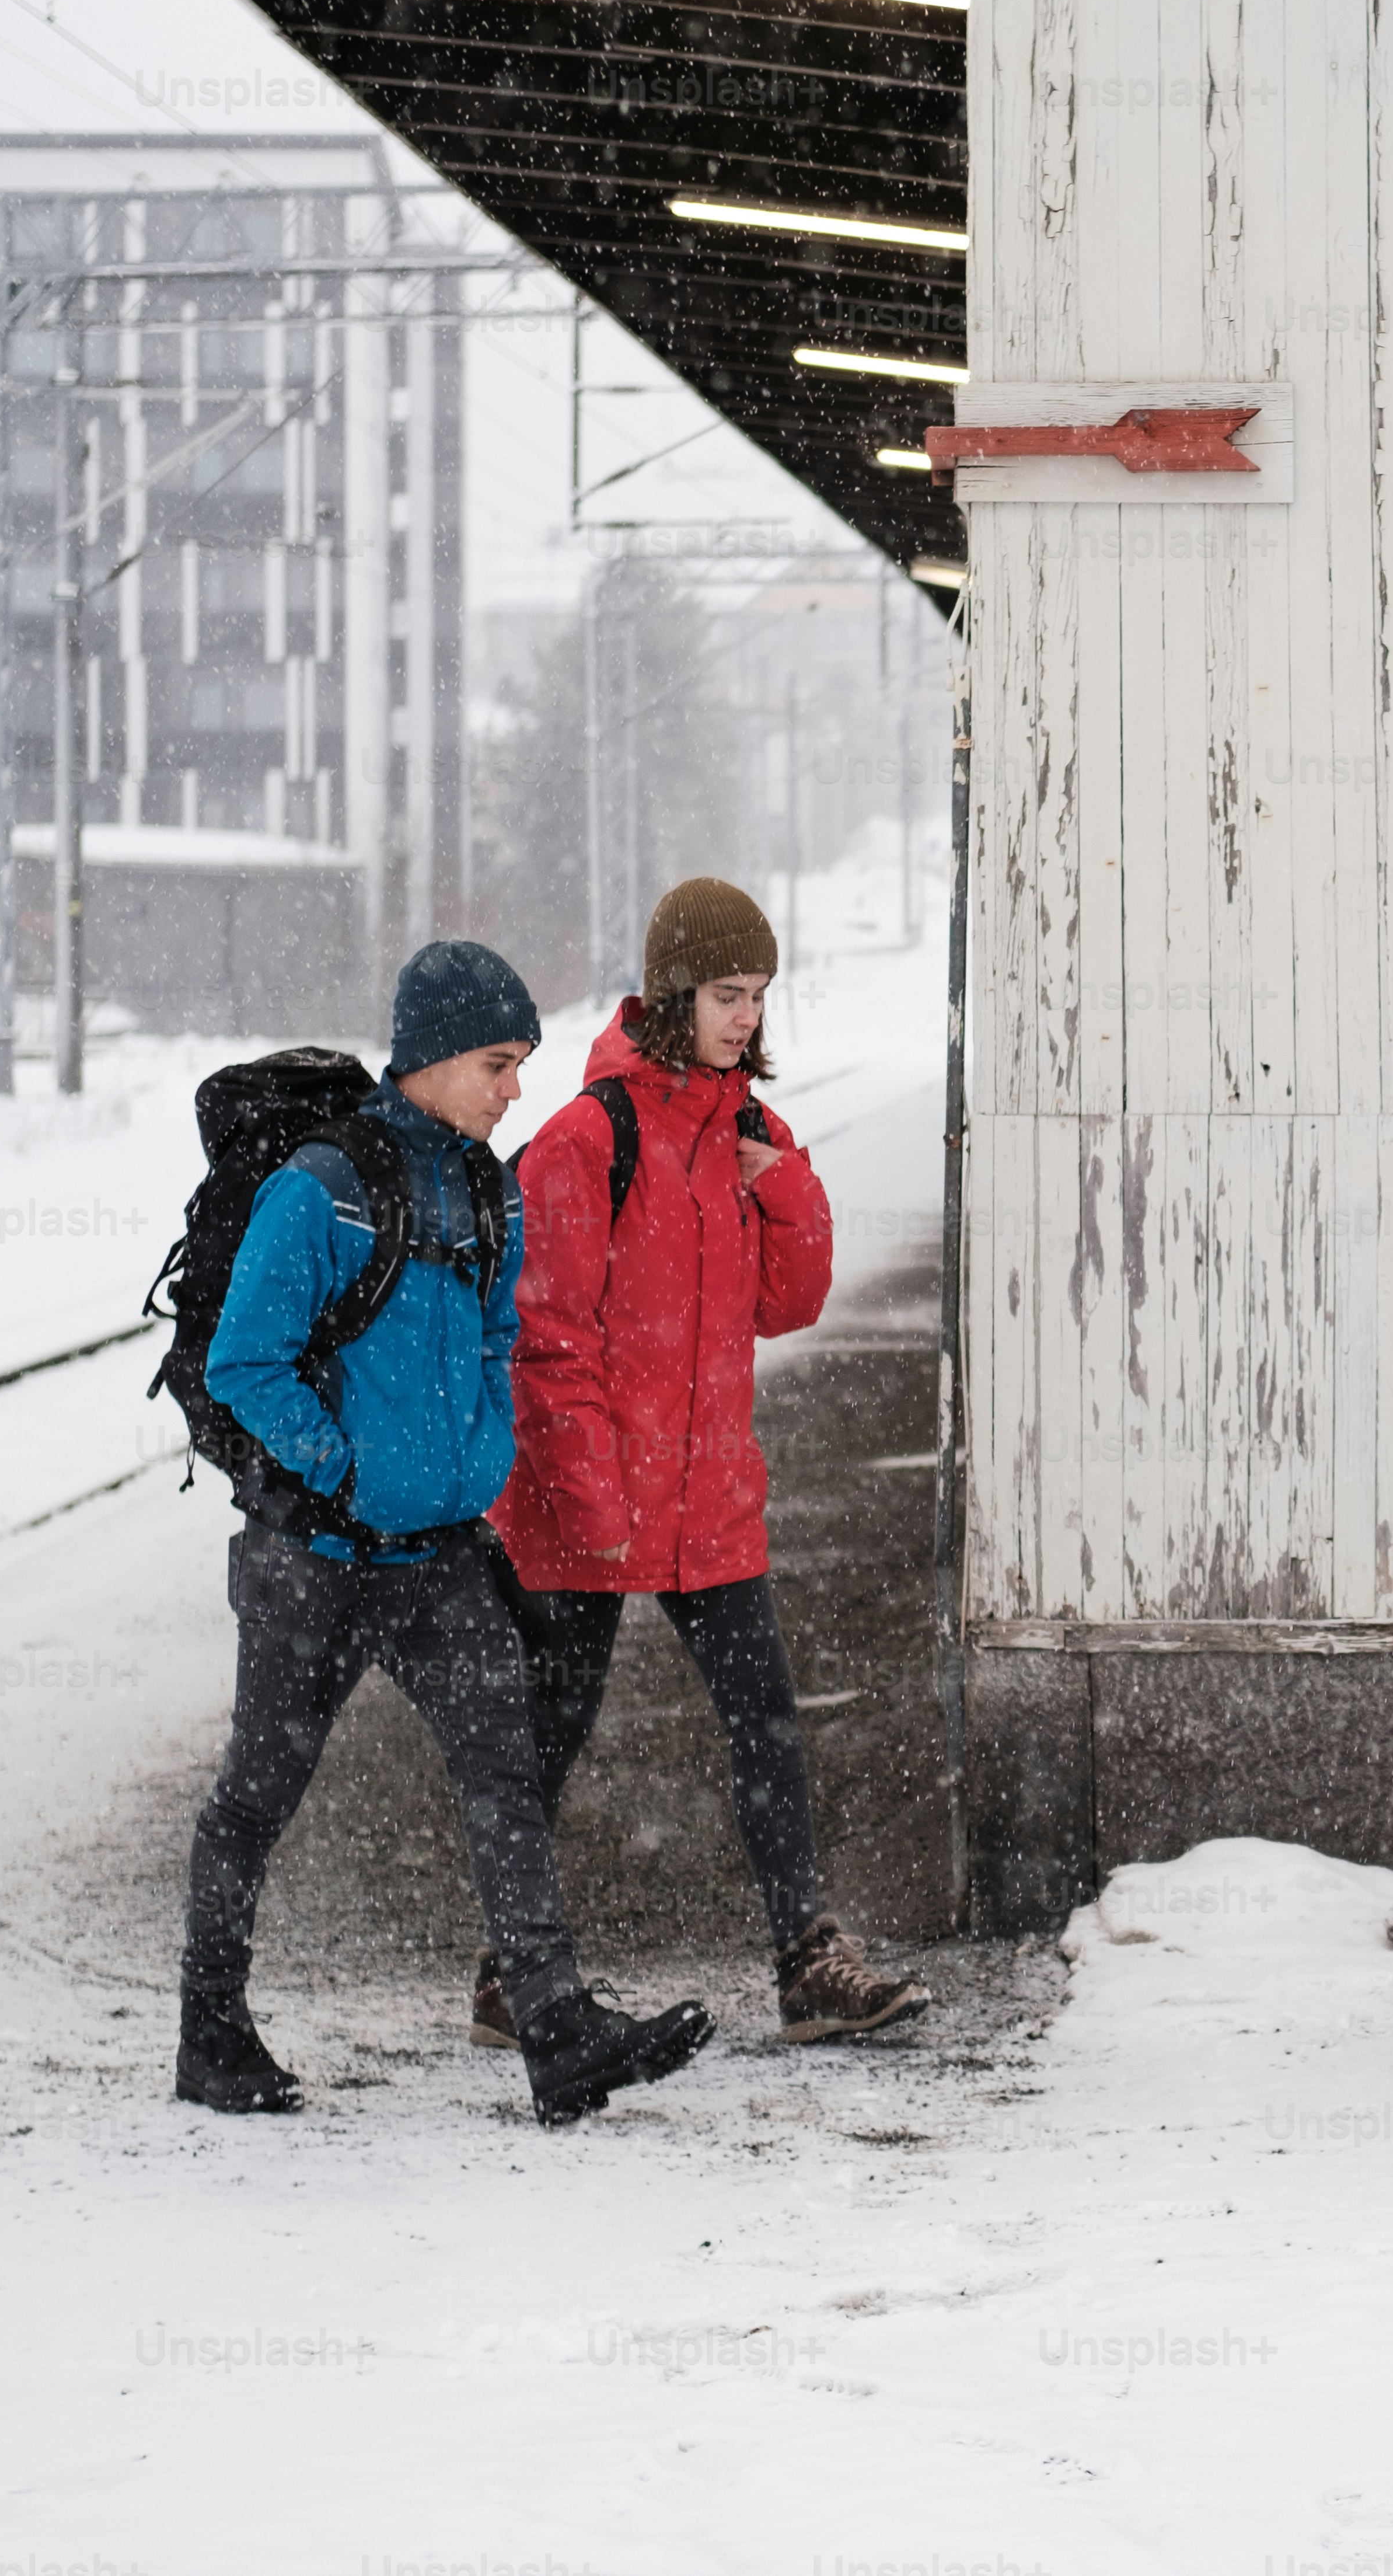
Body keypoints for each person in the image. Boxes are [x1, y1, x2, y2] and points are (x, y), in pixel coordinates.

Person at [177, 937, 712, 2122]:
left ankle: (559, 2035)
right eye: (497, 1063)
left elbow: (488, 1344)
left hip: (441, 1557)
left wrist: (478, 1463)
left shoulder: (485, 1184)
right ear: (427, 1058)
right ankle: (211, 2029)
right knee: (258, 1793)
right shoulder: (318, 1187)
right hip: (310, 1560)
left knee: (504, 1776)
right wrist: (344, 1468)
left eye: (520, 1063)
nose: (515, 1087)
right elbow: (245, 1362)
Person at [486, 876, 929, 2045]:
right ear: (674, 989)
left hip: (710, 1496)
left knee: (764, 1726)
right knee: (554, 1726)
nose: (748, 1015)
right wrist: (591, 1500)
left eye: (760, 994)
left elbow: (790, 1300)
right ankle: (508, 1969)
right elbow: (549, 1338)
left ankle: (806, 1958)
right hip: (589, 1500)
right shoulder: (589, 1140)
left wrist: (781, 1184)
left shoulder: (747, 1132)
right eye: (730, 992)